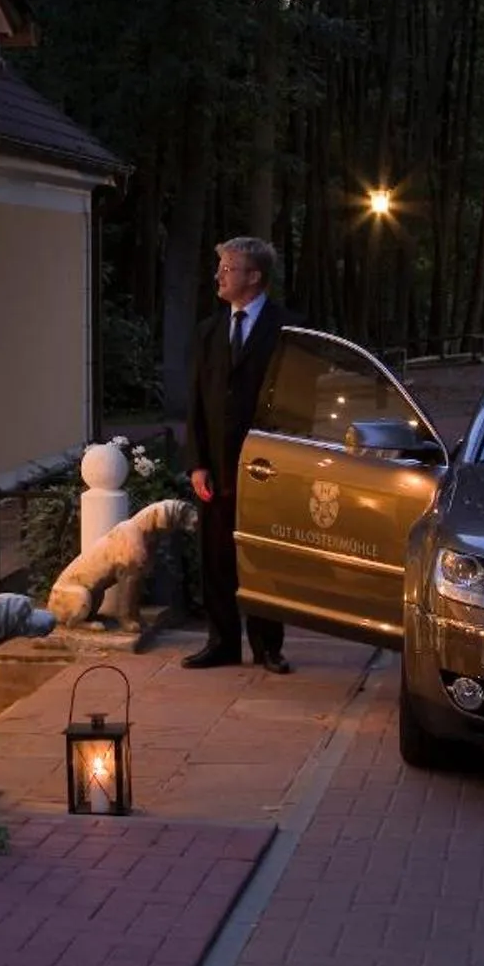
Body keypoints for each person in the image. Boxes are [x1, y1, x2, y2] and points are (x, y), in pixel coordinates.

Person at [184, 236, 291, 673]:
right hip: (216, 469)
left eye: (228, 268)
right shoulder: (209, 332)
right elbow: (195, 402)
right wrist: (197, 463)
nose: (218, 276)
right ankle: (222, 643)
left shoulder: (288, 331)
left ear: (254, 276)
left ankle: (268, 647)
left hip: (268, 470)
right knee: (216, 558)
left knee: (264, 558)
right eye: (220, 268)